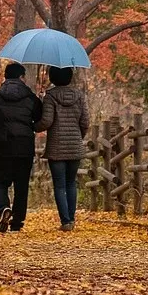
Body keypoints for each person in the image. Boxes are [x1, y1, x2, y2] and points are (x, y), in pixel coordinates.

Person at [0, 63, 42, 233]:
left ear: (5, 77)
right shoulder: (31, 98)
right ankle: (17, 222)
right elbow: (39, 119)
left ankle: (4, 208)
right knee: (21, 185)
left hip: (2, 146)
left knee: (0, 182)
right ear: (21, 77)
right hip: (24, 147)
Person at [35, 66, 89, 231]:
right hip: (74, 146)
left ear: (52, 77)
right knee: (71, 183)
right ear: (69, 77)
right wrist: (78, 137)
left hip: (57, 148)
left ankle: (65, 221)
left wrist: (34, 126)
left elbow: (46, 122)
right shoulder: (79, 96)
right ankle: (71, 219)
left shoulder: (50, 96)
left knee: (59, 185)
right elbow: (85, 122)